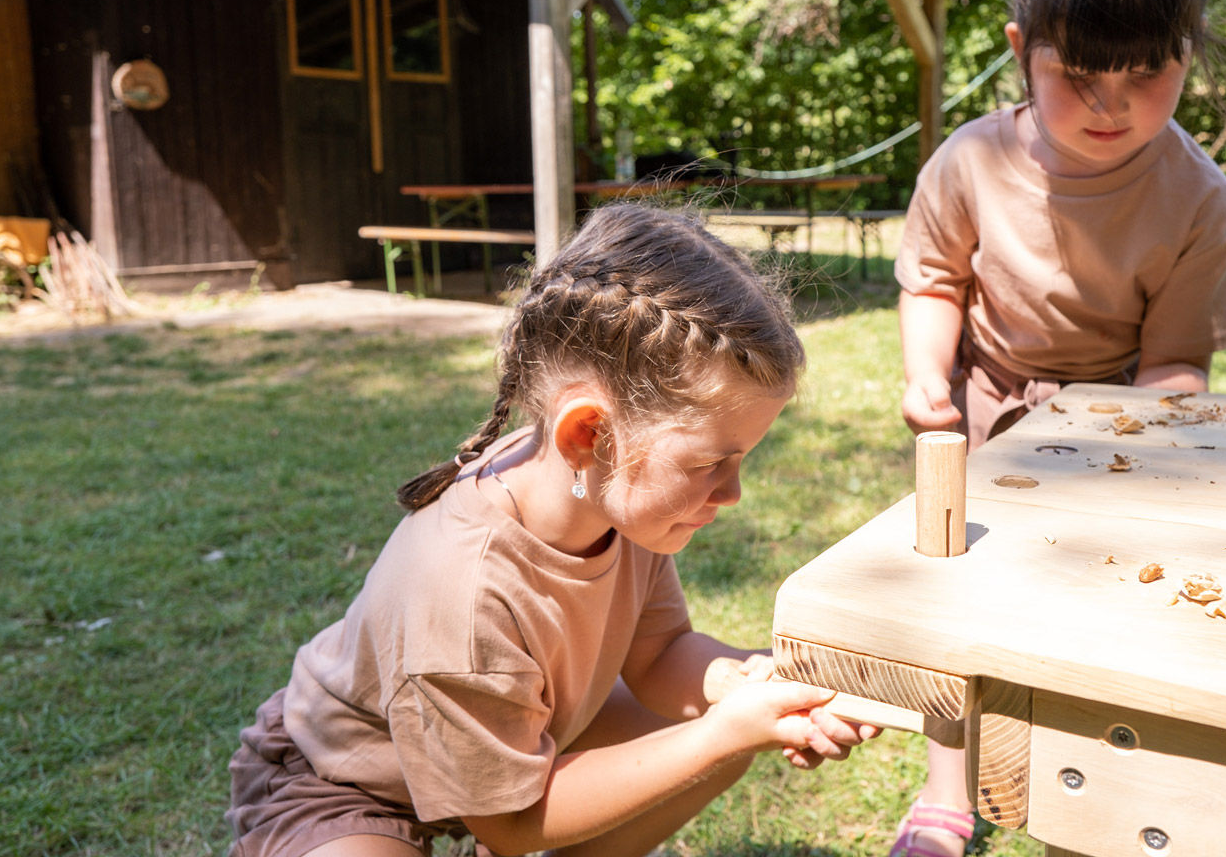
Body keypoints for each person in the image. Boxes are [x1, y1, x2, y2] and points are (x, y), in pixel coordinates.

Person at [226, 203, 878, 857]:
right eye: (709, 462)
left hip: (511, 748)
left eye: (742, 459)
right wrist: (719, 734)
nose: (732, 493)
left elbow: (660, 655)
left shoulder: (608, 494)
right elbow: (511, 826)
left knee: (722, 732)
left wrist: (756, 689)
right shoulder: (461, 587)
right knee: (710, 740)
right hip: (346, 783)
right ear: (588, 434)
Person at [891, 0, 1226, 857]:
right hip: (980, 406)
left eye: (1145, 73)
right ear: (1021, 50)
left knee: (1090, 623)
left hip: (1111, 433)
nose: (1110, 105)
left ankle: (1083, 804)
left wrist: (1125, 441)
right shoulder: (968, 162)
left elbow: (1175, 363)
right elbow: (932, 282)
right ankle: (945, 790)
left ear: (1188, 54)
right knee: (952, 604)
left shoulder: (1200, 202)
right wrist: (928, 375)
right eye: (1078, 75)